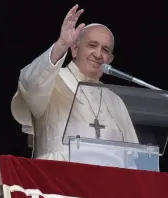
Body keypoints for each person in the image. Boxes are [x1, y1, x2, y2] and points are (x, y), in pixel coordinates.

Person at [11, 4, 139, 166]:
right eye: (92, 45)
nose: (98, 54)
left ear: (110, 59)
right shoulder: (51, 81)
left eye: (105, 50)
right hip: (57, 181)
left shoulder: (115, 101)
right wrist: (60, 45)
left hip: (108, 186)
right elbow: (29, 83)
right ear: (74, 49)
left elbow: (134, 159)